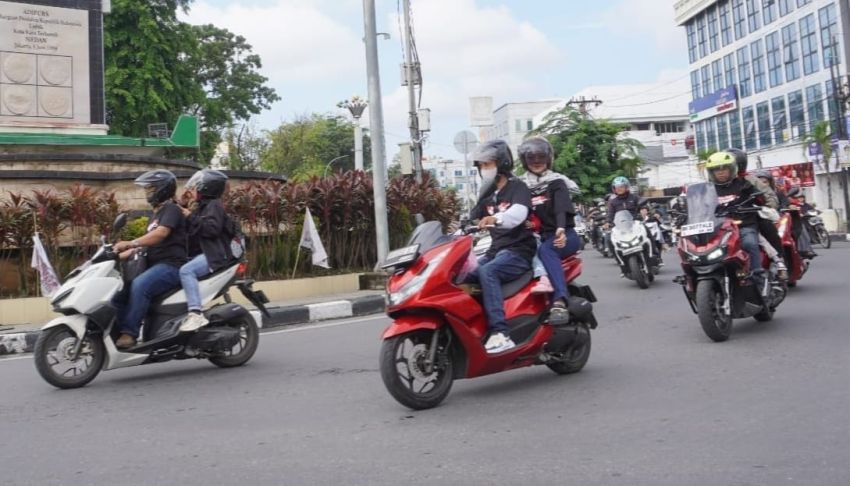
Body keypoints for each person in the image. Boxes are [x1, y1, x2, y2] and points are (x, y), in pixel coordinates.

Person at [466, 140, 537, 354]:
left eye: (488, 164)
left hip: (518, 251)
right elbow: (469, 221)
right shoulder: (486, 194)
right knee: (462, 274)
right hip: (495, 251)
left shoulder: (517, 187)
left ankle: (500, 333)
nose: (484, 169)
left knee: (488, 272)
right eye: (482, 165)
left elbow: (518, 214)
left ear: (502, 163)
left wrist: (495, 219)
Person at [113, 170, 188, 349]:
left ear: (163, 189)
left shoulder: (172, 210)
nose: (147, 192)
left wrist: (131, 243)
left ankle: (129, 334)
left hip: (171, 266)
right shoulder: (156, 214)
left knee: (140, 285)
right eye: (146, 189)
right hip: (153, 264)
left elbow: (160, 234)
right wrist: (115, 255)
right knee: (121, 289)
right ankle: (115, 330)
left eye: (151, 188)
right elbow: (146, 245)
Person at [517, 137, 581, 324]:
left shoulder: (557, 182)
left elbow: (561, 208)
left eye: (541, 157)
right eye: (531, 158)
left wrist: (560, 229)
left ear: (548, 159)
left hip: (564, 235)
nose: (537, 162)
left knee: (547, 249)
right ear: (525, 161)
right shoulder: (520, 187)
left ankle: (559, 301)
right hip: (537, 236)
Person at [178, 169, 234, 332]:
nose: (192, 191)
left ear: (206, 189)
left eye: (195, 188)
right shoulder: (202, 207)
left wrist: (190, 216)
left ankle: (195, 313)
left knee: (186, 271)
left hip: (215, 255)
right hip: (204, 254)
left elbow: (212, 229)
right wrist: (181, 205)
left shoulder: (214, 205)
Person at [704, 152, 764, 280]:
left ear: (732, 169)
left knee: (749, 243)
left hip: (742, 225)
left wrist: (756, 198)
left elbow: (760, 198)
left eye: (724, 169)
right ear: (711, 172)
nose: (720, 172)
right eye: (716, 170)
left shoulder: (744, 184)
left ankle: (757, 275)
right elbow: (701, 206)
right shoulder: (708, 190)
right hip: (718, 229)